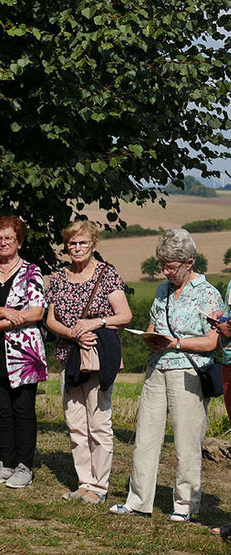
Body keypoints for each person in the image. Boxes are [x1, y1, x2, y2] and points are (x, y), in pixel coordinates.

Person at [109, 229, 221, 522]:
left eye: (171, 266)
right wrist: (149, 336)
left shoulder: (208, 294)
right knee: (145, 437)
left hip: (189, 371)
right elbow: (153, 323)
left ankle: (184, 505)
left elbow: (212, 342)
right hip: (156, 367)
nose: (165, 271)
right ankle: (137, 501)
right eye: (162, 264)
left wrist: (177, 343)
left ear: (189, 262)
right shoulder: (161, 290)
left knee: (186, 441)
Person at [45, 220, 132, 505]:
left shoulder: (107, 274)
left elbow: (125, 316)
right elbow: (50, 320)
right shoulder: (58, 277)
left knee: (99, 422)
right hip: (68, 355)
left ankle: (100, 485)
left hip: (98, 358)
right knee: (75, 423)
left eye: (82, 242)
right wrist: (73, 334)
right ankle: (84, 481)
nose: (77, 248)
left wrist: (95, 323)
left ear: (93, 244)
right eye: (72, 243)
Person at [0, 216, 47, 489]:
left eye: (9, 238)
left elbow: (37, 311)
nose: (4, 242)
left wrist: (4, 322)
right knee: (2, 409)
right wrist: (8, 312)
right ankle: (5, 463)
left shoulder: (32, 271)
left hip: (24, 353)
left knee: (23, 410)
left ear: (19, 242)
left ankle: (24, 466)